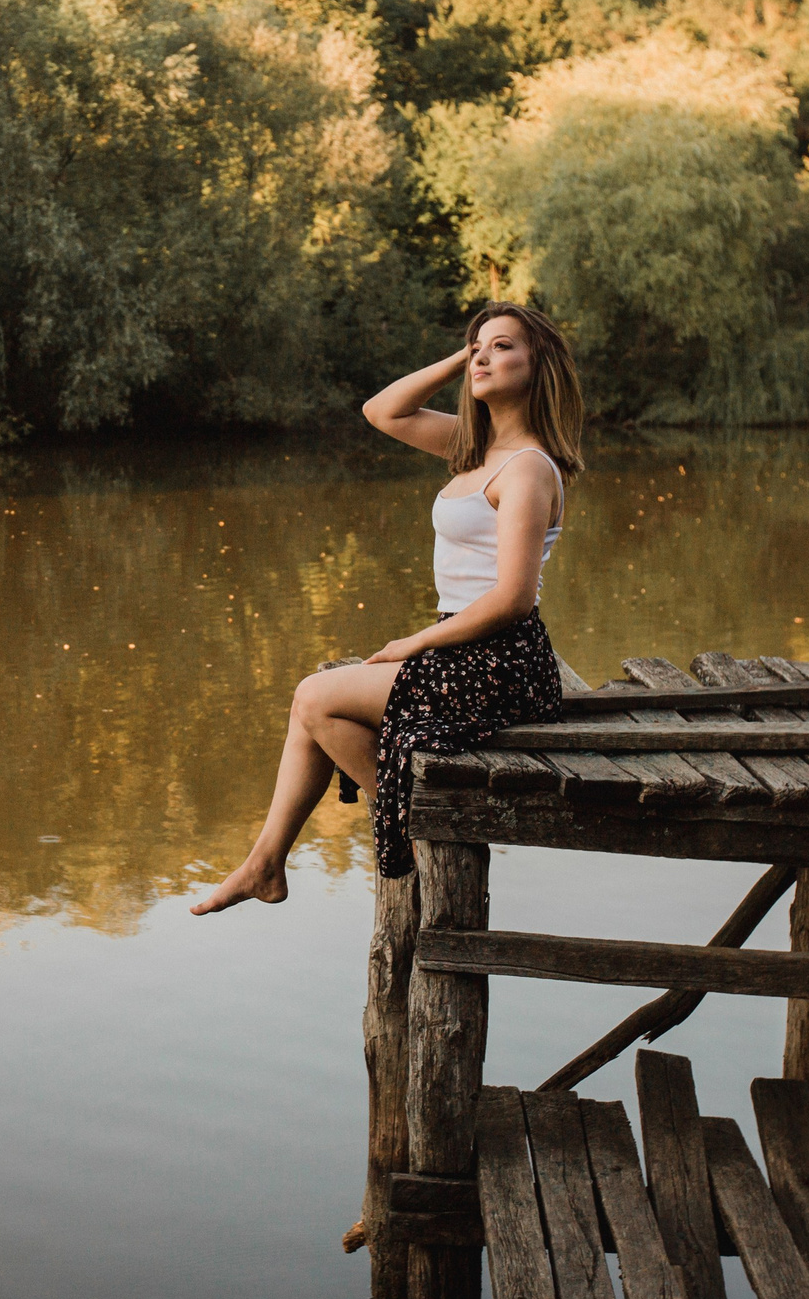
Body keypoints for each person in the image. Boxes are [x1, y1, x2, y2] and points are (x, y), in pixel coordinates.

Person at [191, 302, 584, 913]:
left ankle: (366, 834)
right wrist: (466, 358)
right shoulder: (474, 447)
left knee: (315, 698)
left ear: (540, 366)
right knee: (322, 709)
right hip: (467, 648)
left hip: (499, 661)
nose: (483, 355)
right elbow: (383, 410)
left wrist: (417, 642)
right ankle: (277, 861)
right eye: (477, 346)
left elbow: (513, 598)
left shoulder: (528, 468)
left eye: (502, 347)